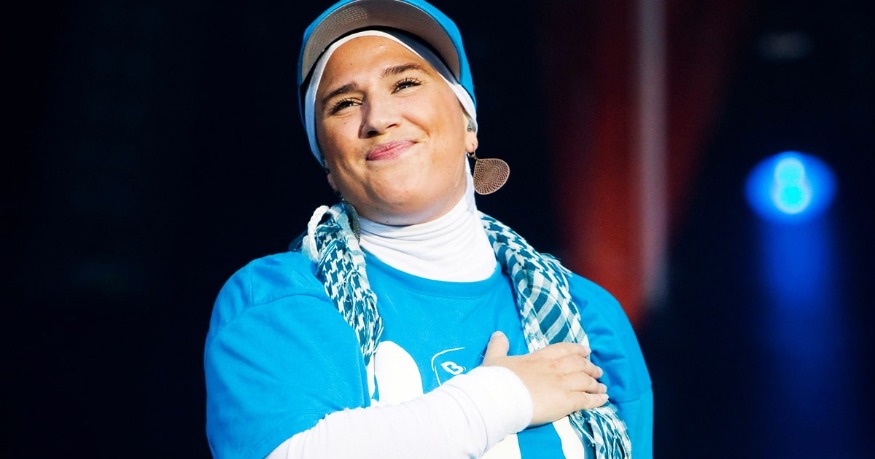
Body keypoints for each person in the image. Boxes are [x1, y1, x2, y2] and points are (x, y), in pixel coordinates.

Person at [203, 0, 653, 458]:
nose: (378, 118)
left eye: (405, 83)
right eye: (345, 103)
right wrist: (502, 397)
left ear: (468, 124)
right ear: (329, 165)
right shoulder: (281, 299)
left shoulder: (589, 318)